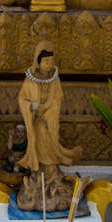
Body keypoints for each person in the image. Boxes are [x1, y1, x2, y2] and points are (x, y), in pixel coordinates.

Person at [16, 41, 81, 211]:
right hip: (36, 121)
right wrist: (31, 106)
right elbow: (22, 99)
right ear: (37, 62)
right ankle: (39, 177)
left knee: (51, 146)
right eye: (46, 61)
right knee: (40, 146)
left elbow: (58, 99)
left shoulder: (55, 80)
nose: (49, 64)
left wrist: (48, 112)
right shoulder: (30, 80)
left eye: (51, 61)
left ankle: (53, 176)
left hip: (49, 120)